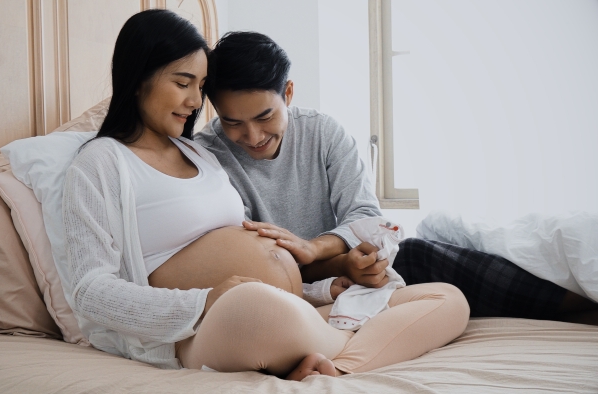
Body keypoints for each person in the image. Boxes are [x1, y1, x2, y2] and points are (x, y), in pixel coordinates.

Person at [62, 9, 470, 381]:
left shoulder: (198, 154)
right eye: (183, 83)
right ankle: (333, 348)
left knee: (448, 299)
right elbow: (88, 290)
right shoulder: (100, 163)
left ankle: (334, 367)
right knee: (255, 307)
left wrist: (323, 284)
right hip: (207, 324)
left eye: (200, 86)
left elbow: (263, 254)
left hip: (292, 305)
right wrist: (203, 302)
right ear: (138, 78)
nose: (194, 101)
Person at [195, 31, 598, 324]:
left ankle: (581, 306)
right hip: (295, 285)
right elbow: (250, 259)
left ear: (288, 94)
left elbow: (368, 215)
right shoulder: (210, 157)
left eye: (265, 117)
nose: (252, 136)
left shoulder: (322, 132)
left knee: (424, 252)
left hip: (359, 263)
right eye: (232, 122)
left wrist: (318, 248)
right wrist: (334, 265)